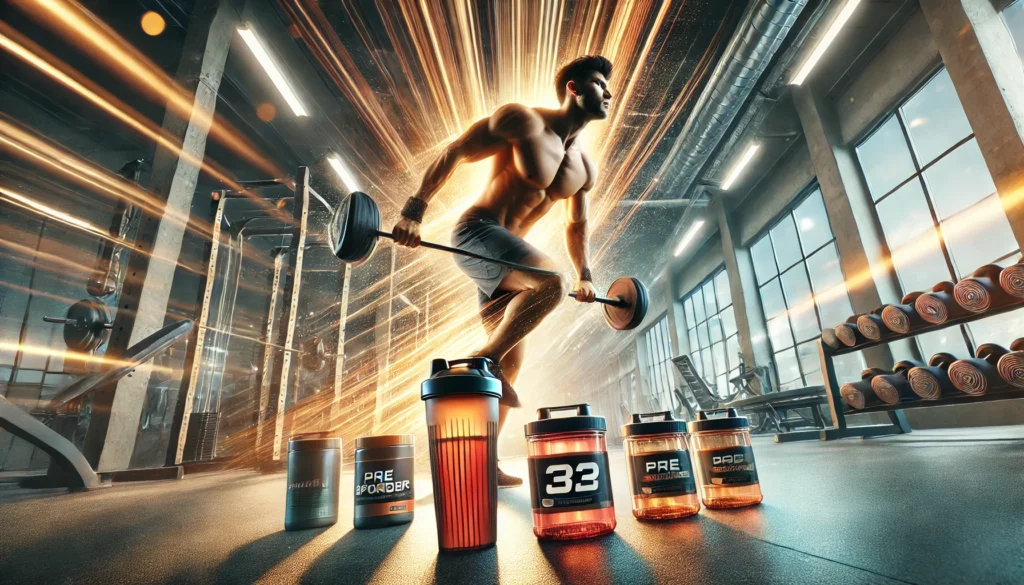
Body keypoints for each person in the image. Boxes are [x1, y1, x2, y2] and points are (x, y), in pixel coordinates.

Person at [392, 56, 613, 486]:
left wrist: (586, 273)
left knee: (512, 365)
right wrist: (414, 210)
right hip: (477, 233)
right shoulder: (523, 121)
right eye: (598, 83)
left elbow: (576, 224)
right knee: (551, 284)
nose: (607, 92)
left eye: (608, 86)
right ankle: (479, 360)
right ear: (572, 87)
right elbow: (455, 150)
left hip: (510, 258)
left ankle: (481, 463)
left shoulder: (585, 168)